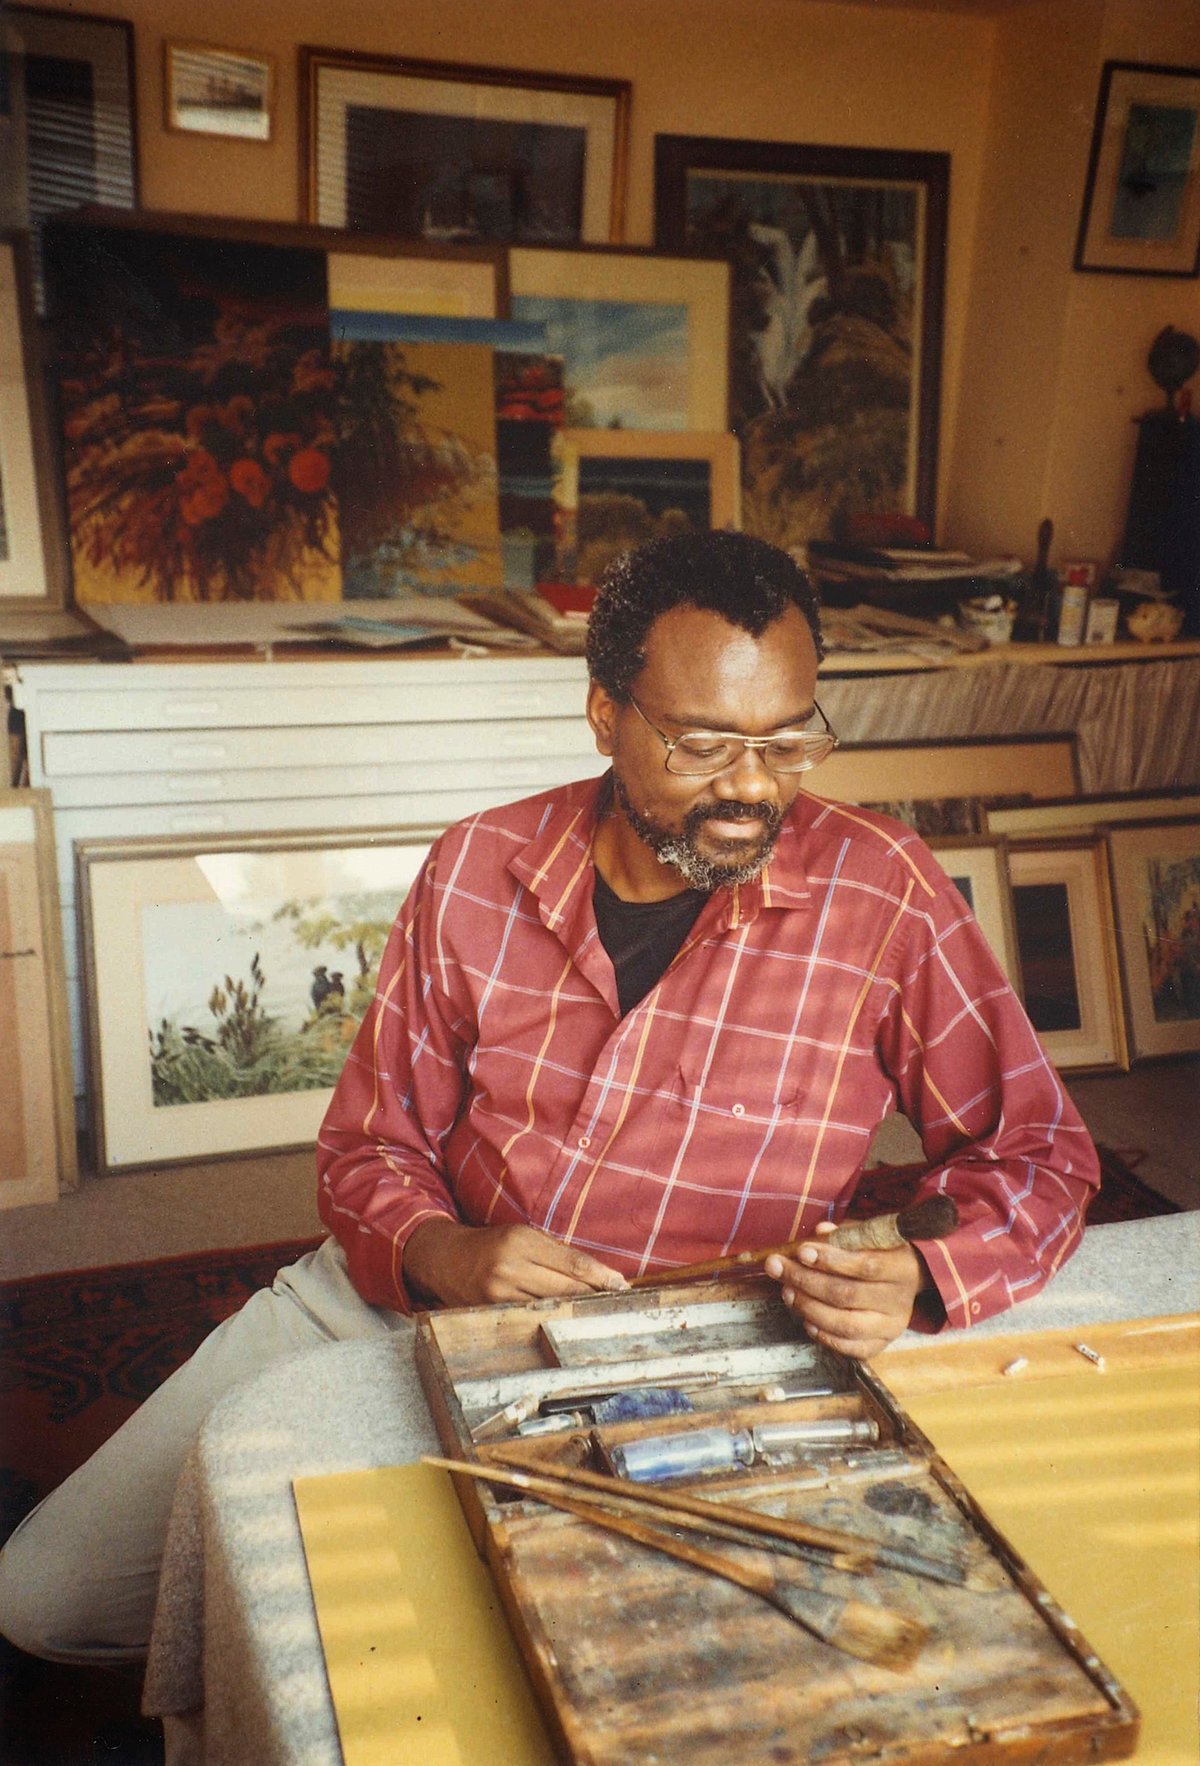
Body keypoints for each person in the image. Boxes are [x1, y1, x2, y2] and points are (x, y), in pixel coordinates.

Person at [0, 530, 1098, 1676]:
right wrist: (440, 1249)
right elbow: (370, 1142)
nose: (752, 785)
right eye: (703, 743)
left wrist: (923, 1270)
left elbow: (1038, 1148)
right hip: (400, 1305)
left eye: (787, 739)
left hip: (699, 1350)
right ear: (604, 714)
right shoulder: (477, 866)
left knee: (565, 1658)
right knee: (44, 1597)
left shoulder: (884, 891)